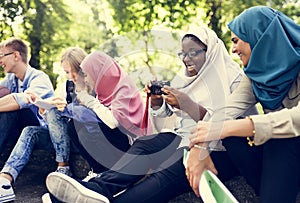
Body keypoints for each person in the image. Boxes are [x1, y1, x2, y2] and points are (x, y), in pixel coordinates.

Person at [43, 26, 257, 203]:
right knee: (146, 144)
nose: (187, 59)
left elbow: (223, 123)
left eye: (194, 52)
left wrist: (188, 104)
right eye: (183, 54)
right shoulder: (185, 79)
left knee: (163, 177)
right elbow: (168, 119)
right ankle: (96, 189)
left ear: (210, 51)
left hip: (219, 149)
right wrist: (157, 104)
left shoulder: (234, 79)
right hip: (184, 138)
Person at [189, 6, 300, 203]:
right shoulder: (256, 75)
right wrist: (200, 145)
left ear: (260, 36)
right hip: (282, 153)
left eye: (236, 40)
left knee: (277, 135)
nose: (233, 48)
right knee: (232, 136)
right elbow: (226, 110)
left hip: (291, 143)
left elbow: (295, 120)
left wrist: (242, 126)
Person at [0, 47, 87, 203]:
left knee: (55, 111)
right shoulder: (66, 86)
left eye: (75, 71)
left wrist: (69, 110)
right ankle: (5, 180)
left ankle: (63, 168)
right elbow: (52, 123)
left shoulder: (93, 87)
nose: (71, 76)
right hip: (60, 138)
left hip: (80, 138)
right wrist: (44, 111)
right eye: (67, 72)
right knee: (31, 131)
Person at [0, 38, 54, 154]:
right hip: (18, 129)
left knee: (11, 109)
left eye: (2, 55)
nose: (0, 61)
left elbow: (25, 99)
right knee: (6, 105)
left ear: (15, 55)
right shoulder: (10, 80)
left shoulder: (39, 78)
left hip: (39, 131)